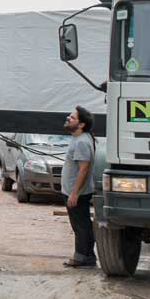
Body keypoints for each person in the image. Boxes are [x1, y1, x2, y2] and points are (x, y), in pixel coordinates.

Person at [62, 105, 96, 268]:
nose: (68, 118)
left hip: (77, 193)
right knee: (83, 224)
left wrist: (74, 193)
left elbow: (84, 169)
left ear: (81, 124)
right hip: (76, 191)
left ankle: (81, 257)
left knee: (80, 226)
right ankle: (88, 256)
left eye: (72, 117)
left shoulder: (82, 142)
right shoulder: (82, 138)